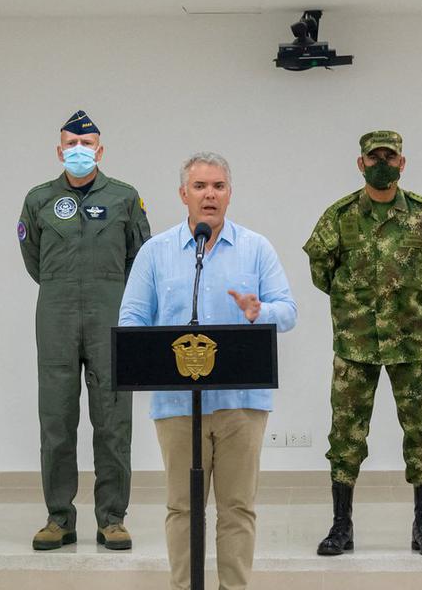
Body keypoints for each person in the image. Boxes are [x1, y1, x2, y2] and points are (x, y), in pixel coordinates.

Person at [119, 152, 296, 590]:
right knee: (183, 508)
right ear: (183, 195)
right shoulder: (155, 252)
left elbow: (288, 312)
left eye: (218, 186)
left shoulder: (256, 247)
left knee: (237, 508)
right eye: (200, 187)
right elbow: (131, 323)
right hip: (178, 404)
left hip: (242, 404)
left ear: (230, 194)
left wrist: (260, 311)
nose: (209, 194)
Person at [303, 130, 422, 558]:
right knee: (346, 436)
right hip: (355, 346)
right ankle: (341, 526)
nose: (382, 163)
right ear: (361, 163)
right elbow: (321, 272)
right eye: (375, 158)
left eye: (390, 156)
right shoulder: (339, 217)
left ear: (403, 163)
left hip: (410, 345)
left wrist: (405, 305)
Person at [18, 110, 151, 551]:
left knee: (113, 421)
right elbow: (33, 258)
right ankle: (59, 519)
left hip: (110, 314)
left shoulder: (125, 197)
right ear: (59, 151)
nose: (79, 151)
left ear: (100, 149)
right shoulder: (38, 199)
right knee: (55, 421)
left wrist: (111, 296)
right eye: (71, 145)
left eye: (88, 144)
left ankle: (112, 518)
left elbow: (140, 257)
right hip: (55, 315)